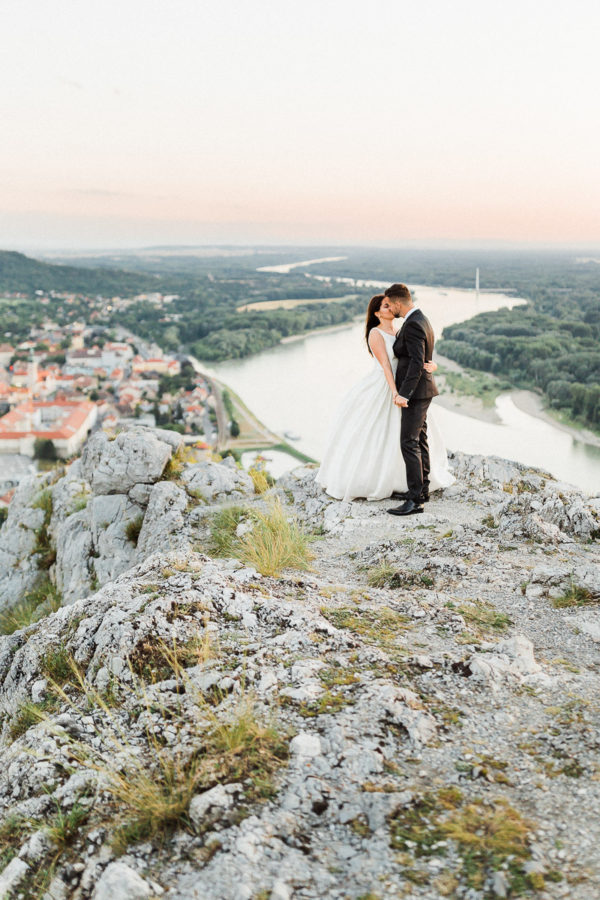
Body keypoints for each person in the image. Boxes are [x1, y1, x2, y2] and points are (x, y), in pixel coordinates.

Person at [315, 292, 454, 502]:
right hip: (386, 386)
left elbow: (417, 355)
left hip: (406, 386)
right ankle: (377, 480)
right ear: (377, 313)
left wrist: (432, 365)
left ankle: (411, 483)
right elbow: (387, 367)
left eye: (390, 305)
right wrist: (396, 393)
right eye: (386, 306)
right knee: (379, 432)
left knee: (410, 436)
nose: (390, 308)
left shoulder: (400, 329)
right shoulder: (375, 333)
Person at [385, 283, 444, 516]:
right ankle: (422, 490)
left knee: (409, 442)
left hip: (416, 394)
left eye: (390, 304)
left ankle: (415, 499)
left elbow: (418, 363)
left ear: (398, 303)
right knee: (419, 439)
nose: (390, 308)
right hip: (422, 392)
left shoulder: (413, 324)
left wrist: (403, 395)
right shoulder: (422, 319)